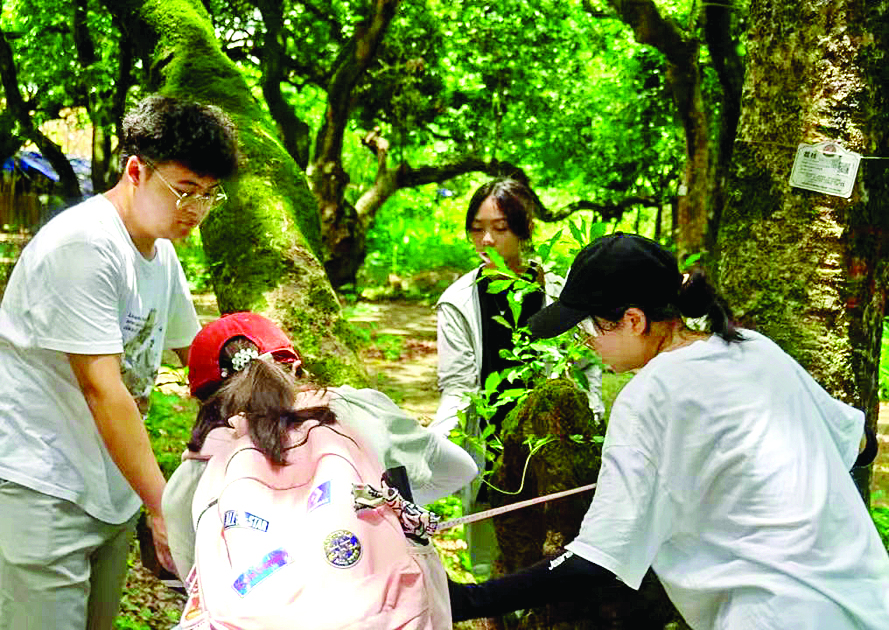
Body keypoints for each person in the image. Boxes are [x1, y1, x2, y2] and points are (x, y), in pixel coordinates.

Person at [448, 232, 889, 629]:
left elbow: (596, 560)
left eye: (588, 329)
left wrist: (467, 600)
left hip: (774, 614)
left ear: (633, 321)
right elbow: (862, 444)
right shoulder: (755, 348)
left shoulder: (647, 398)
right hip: (867, 601)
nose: (586, 343)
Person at [0, 95, 239, 630]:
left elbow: (199, 358)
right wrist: (164, 507)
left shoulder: (160, 253)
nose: (196, 209)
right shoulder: (84, 245)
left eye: (208, 194)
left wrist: (277, 409)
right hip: (34, 481)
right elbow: (103, 390)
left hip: (105, 486)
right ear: (136, 171)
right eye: (185, 189)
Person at [162, 311, 478, 583]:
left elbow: (198, 584)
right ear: (295, 368)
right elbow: (461, 470)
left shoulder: (189, 481)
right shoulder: (360, 410)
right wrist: (386, 513)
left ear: (200, 399)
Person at [432, 176, 603, 577]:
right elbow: (458, 387)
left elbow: (586, 363)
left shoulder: (557, 291)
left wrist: (593, 416)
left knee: (560, 549)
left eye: (500, 228)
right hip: (491, 443)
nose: (487, 240)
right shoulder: (458, 302)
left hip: (554, 443)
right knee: (492, 556)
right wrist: (435, 443)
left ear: (524, 230)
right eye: (477, 229)